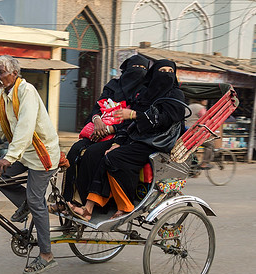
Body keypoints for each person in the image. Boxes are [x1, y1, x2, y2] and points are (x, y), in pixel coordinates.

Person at [0, 55, 60, 274]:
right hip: (23, 153)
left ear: (14, 73)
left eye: (1, 72)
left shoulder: (26, 91)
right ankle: (27, 203)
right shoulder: (4, 94)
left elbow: (25, 127)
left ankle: (46, 255)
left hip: (42, 155)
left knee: (36, 200)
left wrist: (9, 157)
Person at [69, 59, 185, 221]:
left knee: (113, 158)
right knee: (93, 152)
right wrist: (118, 141)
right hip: (135, 137)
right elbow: (129, 124)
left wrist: (134, 115)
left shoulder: (175, 94)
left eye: (169, 72)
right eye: (161, 71)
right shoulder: (146, 94)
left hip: (156, 141)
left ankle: (125, 205)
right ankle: (86, 206)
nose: (165, 75)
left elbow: (165, 118)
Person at [57, 55, 149, 208]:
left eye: (143, 69)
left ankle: (85, 201)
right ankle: (66, 199)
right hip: (99, 128)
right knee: (74, 151)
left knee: (91, 154)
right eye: (135, 67)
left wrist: (111, 129)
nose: (138, 71)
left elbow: (136, 119)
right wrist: (97, 120)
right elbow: (97, 106)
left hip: (122, 135)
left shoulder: (143, 92)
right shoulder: (113, 85)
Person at [186, 100, 212, 169]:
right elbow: (206, 120)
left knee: (191, 149)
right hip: (195, 133)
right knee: (209, 145)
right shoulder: (200, 108)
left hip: (185, 133)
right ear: (201, 100)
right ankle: (204, 163)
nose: (206, 101)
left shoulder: (187, 107)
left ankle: (193, 170)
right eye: (205, 100)